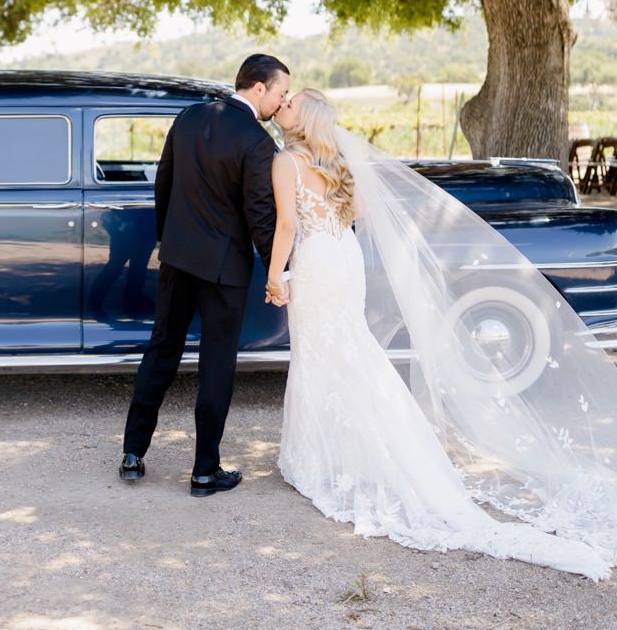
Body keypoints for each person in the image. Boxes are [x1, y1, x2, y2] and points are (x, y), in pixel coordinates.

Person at [267, 88, 617, 580]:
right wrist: (326, 218)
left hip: (316, 262)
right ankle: (354, 449)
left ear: (302, 119)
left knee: (321, 352)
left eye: (288, 105)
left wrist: (274, 274)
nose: (282, 110)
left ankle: (321, 456)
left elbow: (286, 223)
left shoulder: (286, 161)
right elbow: (358, 212)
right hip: (342, 258)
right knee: (350, 349)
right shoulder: (338, 158)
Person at [118, 53, 289, 495]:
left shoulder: (189, 117)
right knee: (217, 363)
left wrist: (168, 239)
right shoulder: (257, 141)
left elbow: (164, 183)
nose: (280, 101)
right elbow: (260, 215)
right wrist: (279, 268)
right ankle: (204, 471)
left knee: (162, 349)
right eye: (279, 92)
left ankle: (133, 454)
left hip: (176, 258)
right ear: (258, 88)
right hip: (224, 269)